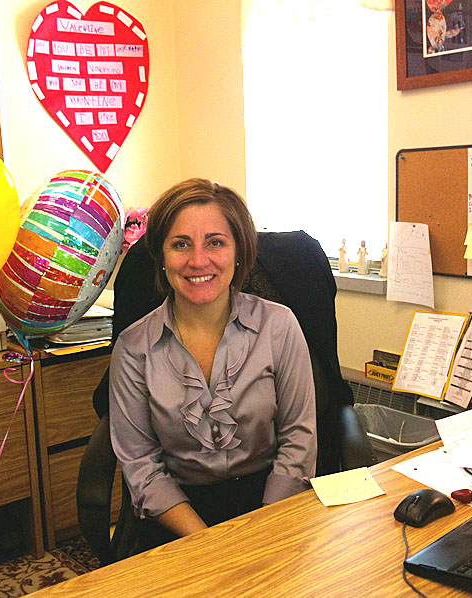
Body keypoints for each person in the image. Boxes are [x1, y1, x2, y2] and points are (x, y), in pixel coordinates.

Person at [109, 178, 317, 548]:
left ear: (239, 253)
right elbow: (141, 464)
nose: (198, 261)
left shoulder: (279, 326)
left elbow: (298, 439)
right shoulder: (133, 346)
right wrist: (208, 544)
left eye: (215, 242)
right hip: (176, 515)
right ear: (160, 256)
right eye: (180, 244)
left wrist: (263, 528)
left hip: (270, 502)